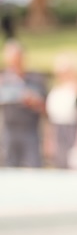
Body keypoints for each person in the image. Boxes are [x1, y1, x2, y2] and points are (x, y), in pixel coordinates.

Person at [0, 40, 48, 168]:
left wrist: (34, 102)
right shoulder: (3, 80)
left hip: (30, 131)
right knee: (9, 168)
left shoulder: (35, 79)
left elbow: (46, 110)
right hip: (9, 131)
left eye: (16, 58)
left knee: (33, 167)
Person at [45, 52, 77, 169]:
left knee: (74, 166)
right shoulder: (56, 90)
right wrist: (49, 138)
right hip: (58, 131)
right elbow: (50, 118)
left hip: (73, 131)